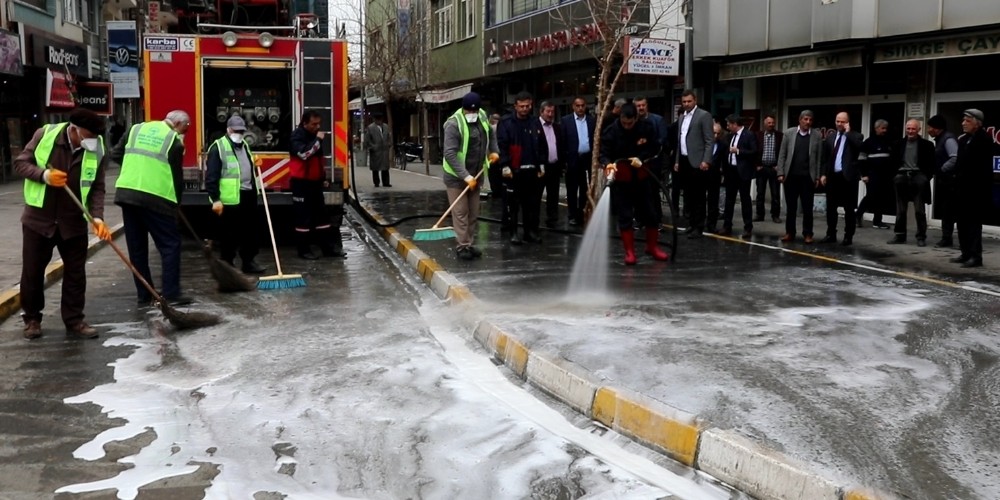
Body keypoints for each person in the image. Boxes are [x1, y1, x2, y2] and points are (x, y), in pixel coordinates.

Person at [13, 109, 111, 340]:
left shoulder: (97, 148)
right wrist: (43, 176)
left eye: (95, 137)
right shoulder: (44, 135)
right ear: (74, 128)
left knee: (76, 274)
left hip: (73, 221)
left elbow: (97, 186)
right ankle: (33, 319)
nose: (92, 141)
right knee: (33, 273)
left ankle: (75, 320)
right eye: (88, 135)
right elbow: (20, 163)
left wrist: (97, 217)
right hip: (39, 220)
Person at [113, 110, 192, 307]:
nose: (186, 133)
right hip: (155, 197)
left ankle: (145, 294)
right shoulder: (173, 141)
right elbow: (176, 177)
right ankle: (172, 294)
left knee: (137, 248)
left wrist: (136, 168)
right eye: (186, 129)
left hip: (127, 194)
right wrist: (176, 203)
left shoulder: (135, 129)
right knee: (170, 245)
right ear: (178, 123)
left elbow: (115, 154)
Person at [601, 102, 667, 265]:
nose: (627, 126)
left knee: (651, 214)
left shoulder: (646, 127)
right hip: (622, 181)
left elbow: (655, 147)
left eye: (630, 123)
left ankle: (652, 247)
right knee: (625, 216)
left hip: (642, 177)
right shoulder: (611, 131)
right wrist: (608, 164)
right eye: (624, 123)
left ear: (636, 118)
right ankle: (629, 252)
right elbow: (603, 153)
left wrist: (643, 158)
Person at [441, 92, 499, 260]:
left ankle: (469, 243)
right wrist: (465, 176)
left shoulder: (481, 116)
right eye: (469, 111)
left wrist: (494, 151)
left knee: (473, 212)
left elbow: (491, 133)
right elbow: (450, 154)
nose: (472, 114)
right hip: (456, 177)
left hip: (476, 173)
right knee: (461, 212)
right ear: (463, 109)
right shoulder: (453, 124)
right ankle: (462, 246)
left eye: (474, 111)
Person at [205, 115, 266, 274]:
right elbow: (212, 176)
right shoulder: (218, 147)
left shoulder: (245, 144)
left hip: (248, 195)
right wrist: (215, 199)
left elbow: (243, 167)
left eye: (241, 131)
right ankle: (228, 264)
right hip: (230, 199)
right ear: (228, 130)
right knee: (229, 235)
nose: (239, 133)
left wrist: (254, 163)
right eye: (236, 130)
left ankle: (249, 261)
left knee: (251, 232)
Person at [289, 110, 346, 259]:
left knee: (322, 217)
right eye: (314, 124)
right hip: (301, 184)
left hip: (314, 183)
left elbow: (318, 161)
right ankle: (304, 250)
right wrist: (318, 141)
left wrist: (323, 178)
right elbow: (304, 154)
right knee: (303, 218)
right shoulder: (297, 136)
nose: (317, 127)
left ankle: (328, 248)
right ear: (305, 123)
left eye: (319, 123)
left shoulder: (314, 137)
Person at [497, 91, 544, 244]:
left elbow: (541, 144)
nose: (525, 109)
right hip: (514, 169)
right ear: (515, 106)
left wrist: (541, 164)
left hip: (531, 168)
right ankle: (513, 232)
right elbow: (502, 145)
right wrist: (505, 165)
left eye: (528, 106)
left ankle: (529, 232)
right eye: (522, 106)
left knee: (531, 203)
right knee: (513, 203)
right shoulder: (506, 123)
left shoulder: (535, 122)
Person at [948, 109, 992, 268]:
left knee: (973, 224)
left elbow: (982, 168)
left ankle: (975, 256)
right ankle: (965, 253)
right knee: (961, 222)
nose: (963, 123)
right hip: (961, 189)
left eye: (967, 121)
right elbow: (959, 163)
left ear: (977, 123)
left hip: (975, 190)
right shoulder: (963, 140)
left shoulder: (984, 139)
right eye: (963, 120)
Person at [672, 89, 715, 239]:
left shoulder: (704, 115)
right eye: (684, 102)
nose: (686, 104)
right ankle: (691, 224)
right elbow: (680, 141)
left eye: (689, 101)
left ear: (695, 100)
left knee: (699, 196)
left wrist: (706, 160)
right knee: (688, 195)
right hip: (684, 160)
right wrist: (677, 160)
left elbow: (710, 140)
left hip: (698, 162)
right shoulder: (682, 117)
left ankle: (699, 227)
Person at [886, 119, 935, 247]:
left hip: (918, 176)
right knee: (901, 209)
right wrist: (895, 176)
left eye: (913, 129)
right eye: (908, 128)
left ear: (919, 130)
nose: (910, 131)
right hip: (901, 176)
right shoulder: (898, 144)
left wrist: (925, 178)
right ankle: (900, 235)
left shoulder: (927, 145)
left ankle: (921, 236)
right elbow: (891, 162)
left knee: (919, 210)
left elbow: (932, 165)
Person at [776, 110, 822, 243]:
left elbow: (818, 159)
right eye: (806, 119)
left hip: (808, 177)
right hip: (791, 177)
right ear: (800, 120)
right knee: (791, 208)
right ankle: (790, 232)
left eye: (810, 120)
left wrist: (817, 177)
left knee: (808, 208)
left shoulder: (816, 136)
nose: (808, 122)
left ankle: (808, 234)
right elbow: (782, 154)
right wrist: (781, 172)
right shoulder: (789, 133)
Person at [819, 112, 863, 246]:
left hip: (848, 178)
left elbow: (859, 148)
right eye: (837, 121)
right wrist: (824, 174)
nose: (839, 124)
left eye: (842, 122)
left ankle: (848, 236)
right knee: (831, 208)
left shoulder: (856, 136)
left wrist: (848, 133)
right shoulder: (831, 137)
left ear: (848, 123)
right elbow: (825, 158)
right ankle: (831, 233)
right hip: (833, 177)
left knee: (849, 209)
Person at [721, 114, 759, 239]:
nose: (727, 127)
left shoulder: (749, 135)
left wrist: (738, 151)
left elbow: (754, 152)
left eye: (728, 124)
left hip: (743, 172)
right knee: (729, 199)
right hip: (731, 171)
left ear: (735, 124)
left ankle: (748, 227)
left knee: (745, 200)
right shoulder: (730, 136)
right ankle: (727, 226)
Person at [559, 96, 596, 226]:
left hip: (587, 158)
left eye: (582, 105)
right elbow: (562, 141)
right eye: (578, 106)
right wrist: (564, 161)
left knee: (585, 187)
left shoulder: (592, 121)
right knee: (572, 188)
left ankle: (582, 213)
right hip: (572, 159)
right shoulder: (566, 121)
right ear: (573, 107)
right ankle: (572, 215)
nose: (580, 108)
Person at [926, 115, 959, 248]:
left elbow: (955, 157)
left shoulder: (948, 139)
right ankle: (946, 238)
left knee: (949, 211)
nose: (928, 130)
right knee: (946, 211)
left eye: (930, 127)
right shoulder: (941, 139)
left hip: (950, 181)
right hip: (945, 181)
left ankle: (948, 238)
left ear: (937, 128)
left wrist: (942, 169)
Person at [856, 119, 894, 229]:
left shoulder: (888, 141)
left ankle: (877, 221)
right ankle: (858, 215)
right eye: (882, 128)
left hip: (885, 175)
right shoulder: (868, 142)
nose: (884, 130)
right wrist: (864, 174)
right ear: (876, 128)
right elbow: (861, 159)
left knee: (881, 198)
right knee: (871, 196)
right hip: (872, 174)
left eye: (886, 128)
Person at [537, 101, 563, 227]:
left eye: (552, 111)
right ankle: (534, 219)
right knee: (537, 194)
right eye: (548, 111)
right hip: (540, 167)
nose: (550, 114)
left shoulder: (557, 127)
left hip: (554, 166)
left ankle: (552, 218)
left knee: (553, 193)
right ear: (541, 112)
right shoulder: (535, 126)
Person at [754, 115, 783, 223]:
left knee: (775, 194)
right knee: (760, 193)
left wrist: (779, 166)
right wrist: (756, 165)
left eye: (773, 123)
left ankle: (775, 215)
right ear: (764, 123)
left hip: (774, 168)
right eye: (769, 123)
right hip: (761, 168)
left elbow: (783, 152)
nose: (771, 125)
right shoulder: (758, 135)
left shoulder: (780, 136)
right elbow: (754, 151)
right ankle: (759, 214)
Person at [366, 112, 392, 187]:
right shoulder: (370, 127)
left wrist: (389, 144)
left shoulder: (386, 126)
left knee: (385, 168)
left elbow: (389, 136)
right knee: (375, 168)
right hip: (376, 151)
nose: (379, 121)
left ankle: (386, 182)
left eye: (380, 120)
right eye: (377, 120)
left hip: (384, 150)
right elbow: (367, 140)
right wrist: (373, 147)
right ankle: (376, 182)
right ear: (374, 120)